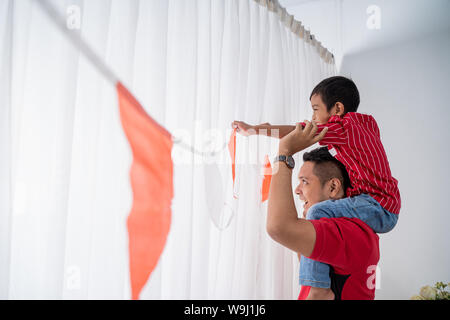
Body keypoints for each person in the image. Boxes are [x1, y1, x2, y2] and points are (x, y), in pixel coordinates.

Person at [232, 76, 400, 299]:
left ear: (337, 108)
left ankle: (320, 289)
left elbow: (299, 132)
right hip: (382, 203)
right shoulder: (363, 126)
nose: (297, 190)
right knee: (316, 214)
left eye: (315, 110)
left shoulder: (345, 127)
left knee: (318, 211)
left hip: (378, 204)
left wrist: (265, 134)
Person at [266, 125, 380, 300]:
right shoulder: (346, 230)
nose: (297, 190)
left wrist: (284, 153)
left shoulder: (348, 233)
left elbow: (278, 227)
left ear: (333, 187)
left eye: (305, 182)